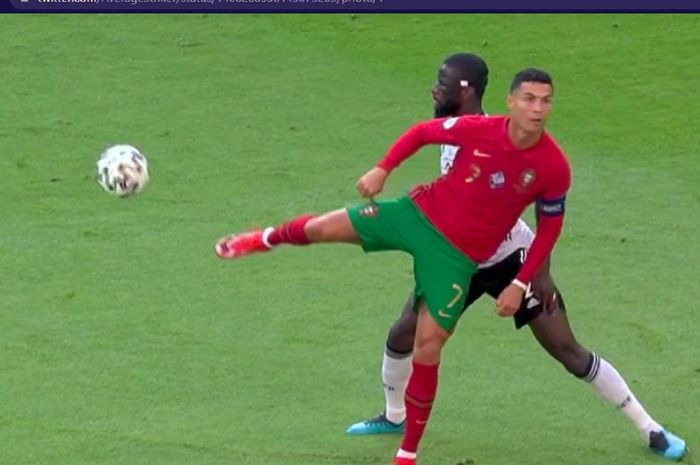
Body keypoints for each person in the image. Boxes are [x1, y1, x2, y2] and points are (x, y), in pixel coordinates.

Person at [216, 68, 573, 465]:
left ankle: (407, 453)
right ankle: (263, 240)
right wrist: (382, 168)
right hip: (415, 215)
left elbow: (548, 231)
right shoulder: (479, 128)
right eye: (529, 99)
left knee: (429, 345)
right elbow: (421, 132)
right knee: (323, 227)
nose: (537, 108)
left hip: (454, 259)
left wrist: (520, 283)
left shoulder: (553, 166)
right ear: (511, 101)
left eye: (545, 100)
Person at [344, 53, 687, 462]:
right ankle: (394, 415)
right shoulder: (461, 130)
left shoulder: (498, 139)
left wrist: (535, 275)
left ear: (466, 90)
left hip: (509, 260)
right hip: (460, 261)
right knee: (403, 332)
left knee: (567, 349)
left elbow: (542, 218)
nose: (435, 89)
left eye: (444, 82)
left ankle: (650, 428)